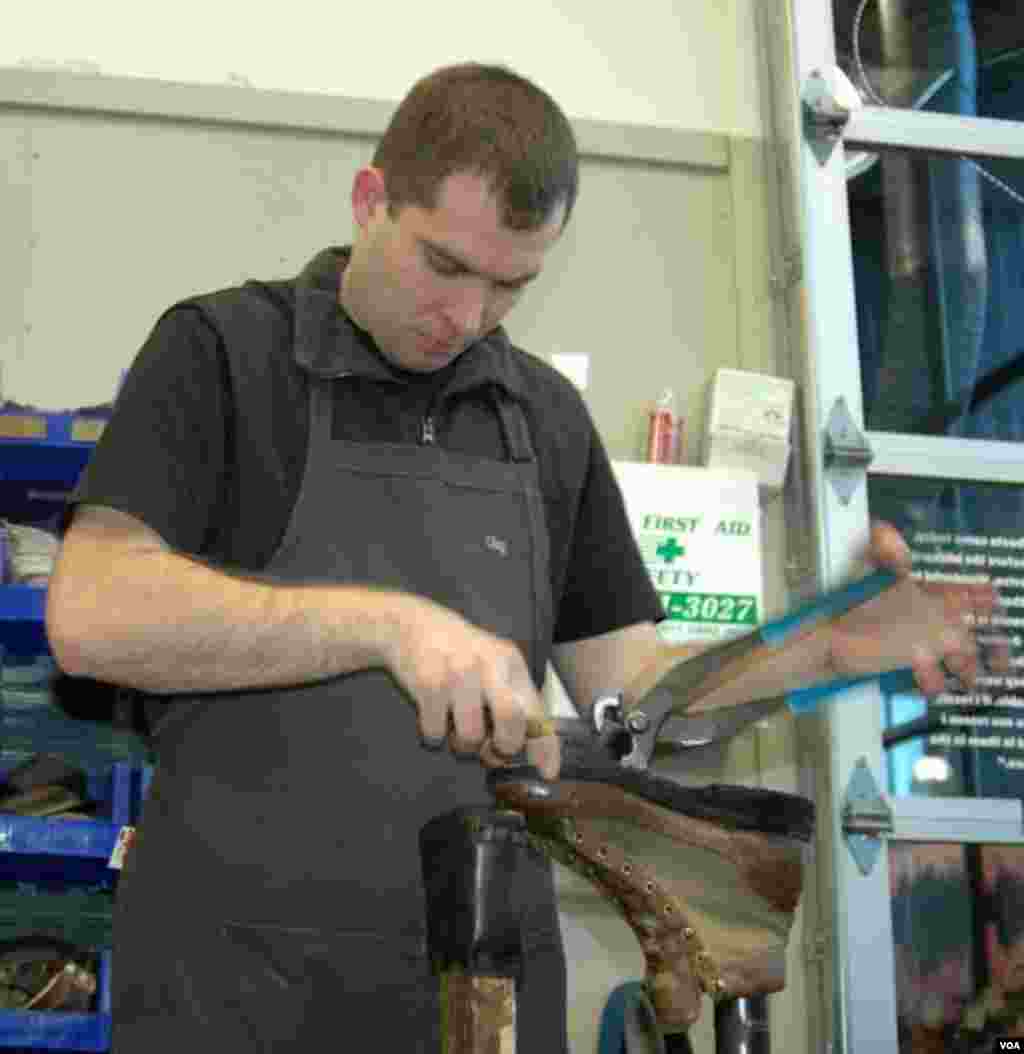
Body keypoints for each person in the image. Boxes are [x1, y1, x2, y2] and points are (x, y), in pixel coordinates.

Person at [45, 63, 994, 1052]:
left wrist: (823, 652)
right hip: (232, 994)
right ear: (372, 200)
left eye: (511, 285)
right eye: (445, 267)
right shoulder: (223, 356)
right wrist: (386, 624)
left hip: (482, 999)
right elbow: (89, 615)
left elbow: (633, 716)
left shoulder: (543, 422)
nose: (469, 317)